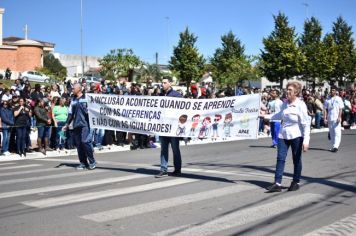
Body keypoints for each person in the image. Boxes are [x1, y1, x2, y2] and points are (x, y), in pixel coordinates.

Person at [266, 81, 310, 192]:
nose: (287, 91)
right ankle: (277, 183)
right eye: (287, 89)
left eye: (290, 90)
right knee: (280, 158)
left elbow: (306, 124)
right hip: (283, 134)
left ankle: (296, 181)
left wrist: (306, 141)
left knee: (296, 159)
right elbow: (279, 115)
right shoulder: (284, 103)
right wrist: (264, 116)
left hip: (296, 135)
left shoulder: (301, 105)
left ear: (296, 92)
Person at [64, 83, 96, 170]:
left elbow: (93, 110)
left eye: (73, 88)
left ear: (79, 89)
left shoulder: (86, 98)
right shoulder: (73, 100)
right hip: (76, 125)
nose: (72, 90)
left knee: (85, 142)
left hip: (85, 124)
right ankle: (83, 163)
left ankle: (92, 161)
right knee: (79, 145)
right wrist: (67, 124)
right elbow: (70, 114)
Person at [155, 77, 183, 178]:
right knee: (163, 149)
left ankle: (178, 169)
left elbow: (181, 110)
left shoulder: (177, 95)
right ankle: (163, 169)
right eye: (162, 82)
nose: (162, 84)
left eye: (165, 82)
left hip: (173, 127)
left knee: (175, 149)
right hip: (163, 127)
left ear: (170, 83)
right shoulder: (160, 95)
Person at [324, 86, 344, 152]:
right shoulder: (327, 99)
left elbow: (340, 109)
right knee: (332, 133)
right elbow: (325, 110)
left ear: (336, 91)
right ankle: (333, 146)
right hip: (330, 118)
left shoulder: (338, 99)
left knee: (337, 132)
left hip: (336, 118)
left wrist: (339, 117)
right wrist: (325, 118)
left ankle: (336, 146)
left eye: (333, 90)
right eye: (331, 90)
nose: (332, 91)